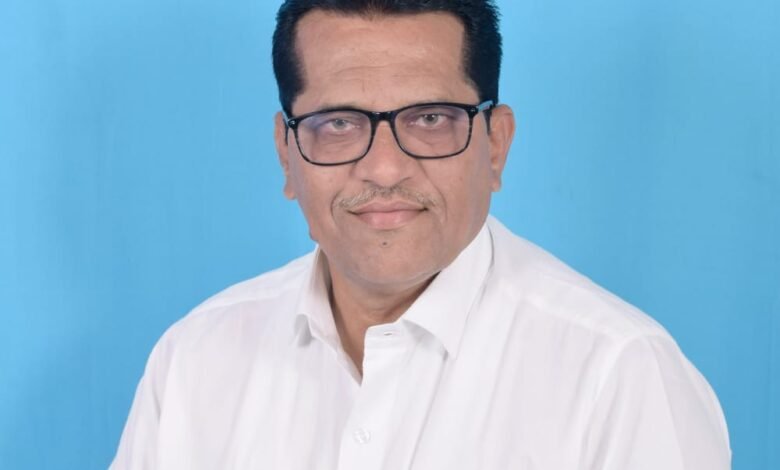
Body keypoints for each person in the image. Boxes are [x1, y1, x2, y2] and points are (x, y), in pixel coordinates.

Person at [111, 1, 731, 468]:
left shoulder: (620, 374)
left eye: (431, 118)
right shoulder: (195, 358)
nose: (384, 168)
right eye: (338, 124)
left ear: (495, 146)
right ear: (286, 153)